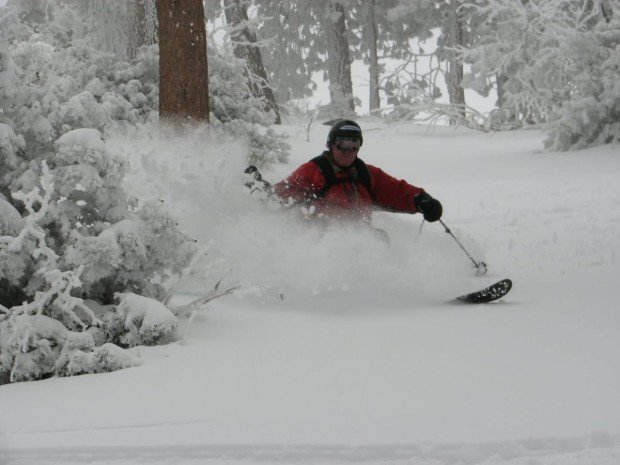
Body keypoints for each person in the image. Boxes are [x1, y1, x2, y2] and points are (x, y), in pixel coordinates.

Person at [269, 119, 443, 225]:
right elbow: (283, 194)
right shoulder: (315, 170)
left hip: (360, 240)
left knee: (381, 240)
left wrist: (421, 200)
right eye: (342, 144)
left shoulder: (366, 173)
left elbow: (395, 190)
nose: (348, 151)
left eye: (354, 145)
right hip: (322, 243)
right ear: (330, 144)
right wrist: (260, 190)